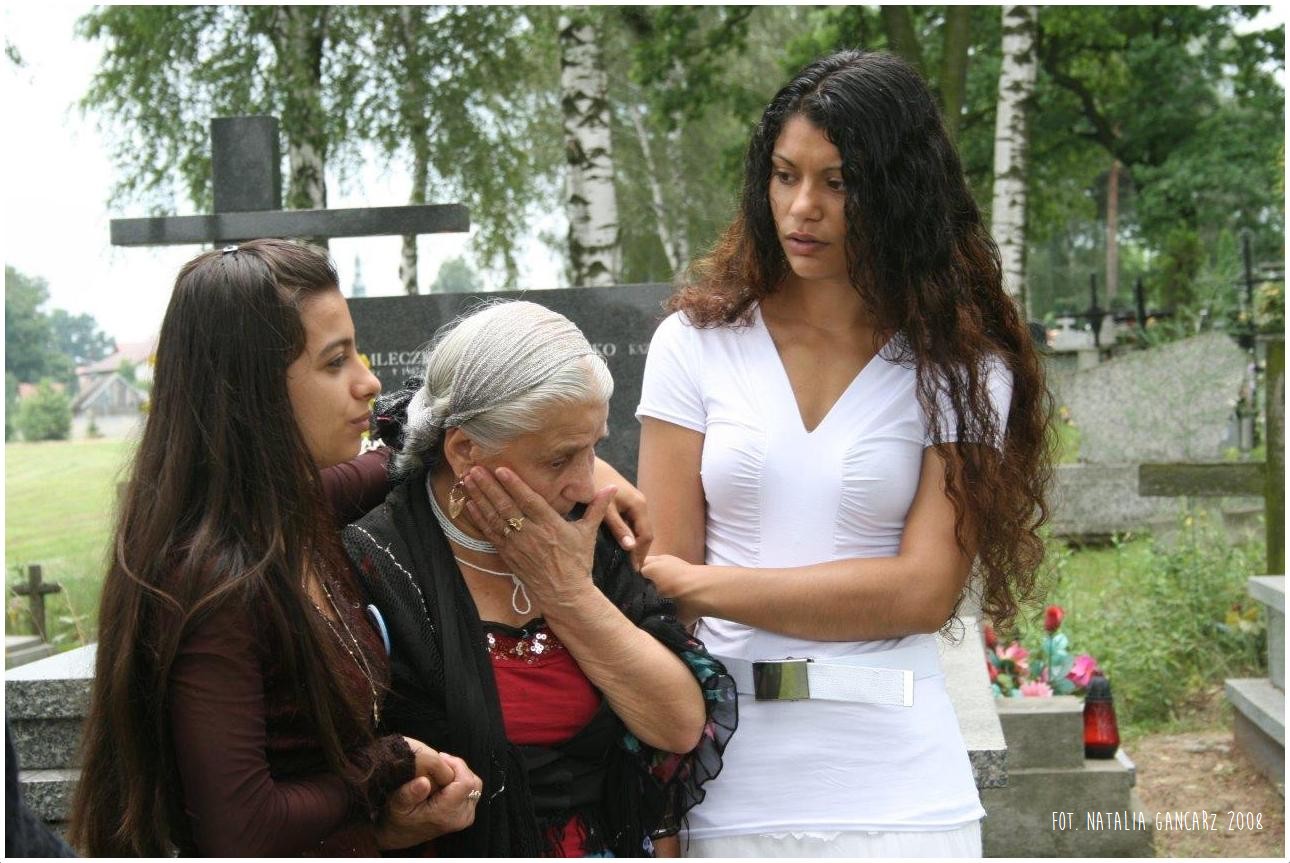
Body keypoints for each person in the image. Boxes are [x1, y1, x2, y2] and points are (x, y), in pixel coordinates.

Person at [636, 50, 1052, 857]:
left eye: (839, 182)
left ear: (900, 193)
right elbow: (664, 605)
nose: (804, 207)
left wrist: (699, 583)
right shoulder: (694, 344)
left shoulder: (962, 367)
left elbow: (923, 591)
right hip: (728, 777)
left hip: (903, 790)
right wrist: (657, 805)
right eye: (785, 175)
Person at [69, 240, 482, 856]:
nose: (368, 382)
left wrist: (580, 474)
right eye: (335, 361)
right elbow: (242, 828)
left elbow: (388, 464)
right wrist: (389, 763)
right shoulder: (217, 581)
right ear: (252, 389)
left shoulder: (283, 512)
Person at [342, 300, 736, 857]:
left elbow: (678, 725)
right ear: (464, 450)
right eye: (558, 459)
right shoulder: (377, 563)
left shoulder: (589, 534)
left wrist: (568, 593)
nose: (585, 484)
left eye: (594, 449)